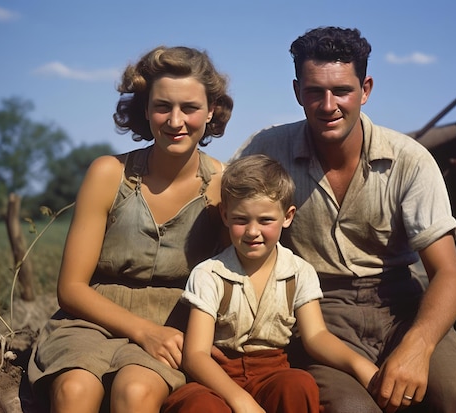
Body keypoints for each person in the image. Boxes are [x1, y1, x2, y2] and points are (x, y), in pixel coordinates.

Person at [233, 27, 456, 413]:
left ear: (365, 89)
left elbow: (447, 274)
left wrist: (418, 348)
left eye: (342, 91)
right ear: (297, 91)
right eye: (314, 91)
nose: (328, 104)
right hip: (317, 313)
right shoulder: (266, 150)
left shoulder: (410, 160)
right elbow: (222, 209)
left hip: (400, 308)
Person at [27, 45, 233, 413]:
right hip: (90, 320)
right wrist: (143, 331)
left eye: (189, 107)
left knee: (135, 392)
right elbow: (71, 288)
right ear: (144, 109)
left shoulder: (221, 185)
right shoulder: (108, 174)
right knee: (75, 389)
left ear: (211, 110)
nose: (175, 121)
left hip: (175, 324)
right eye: (162, 106)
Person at [162, 154, 379, 413]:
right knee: (199, 405)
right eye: (242, 220)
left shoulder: (298, 272)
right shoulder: (210, 274)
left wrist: (360, 366)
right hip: (217, 376)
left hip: (272, 372)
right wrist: (240, 400)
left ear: (287, 217)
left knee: (298, 385)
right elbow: (196, 355)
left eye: (265, 220)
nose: (253, 231)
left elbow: (316, 336)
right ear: (225, 215)